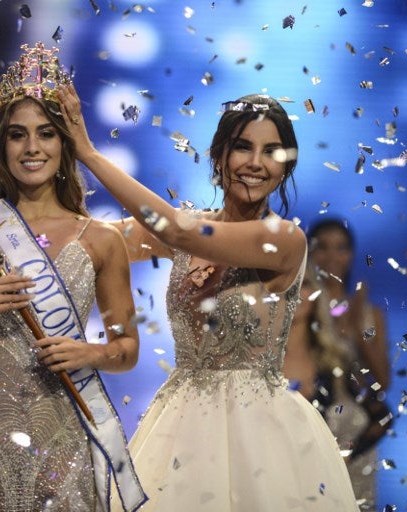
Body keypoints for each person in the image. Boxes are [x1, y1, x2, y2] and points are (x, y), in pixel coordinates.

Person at [56, 86, 360, 511]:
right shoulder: (187, 225)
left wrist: (88, 153)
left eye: (271, 151)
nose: (255, 163)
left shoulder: (284, 239)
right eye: (242, 148)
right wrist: (32, 168)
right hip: (180, 427)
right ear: (218, 156)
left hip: (262, 438)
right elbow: (89, 241)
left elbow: (177, 231)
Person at [0, 44, 146, 512]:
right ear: (1, 144)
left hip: (66, 439)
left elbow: (127, 351)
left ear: (65, 143)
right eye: (17, 135)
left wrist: (91, 352)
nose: (33, 147)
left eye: (45, 134)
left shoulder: (101, 239)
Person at [284, 218, 392, 510]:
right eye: (322, 248)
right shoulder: (296, 305)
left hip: (351, 429)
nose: (332, 257)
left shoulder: (368, 313)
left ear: (352, 254)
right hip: (307, 417)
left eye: (341, 248)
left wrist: (358, 329)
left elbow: (382, 382)